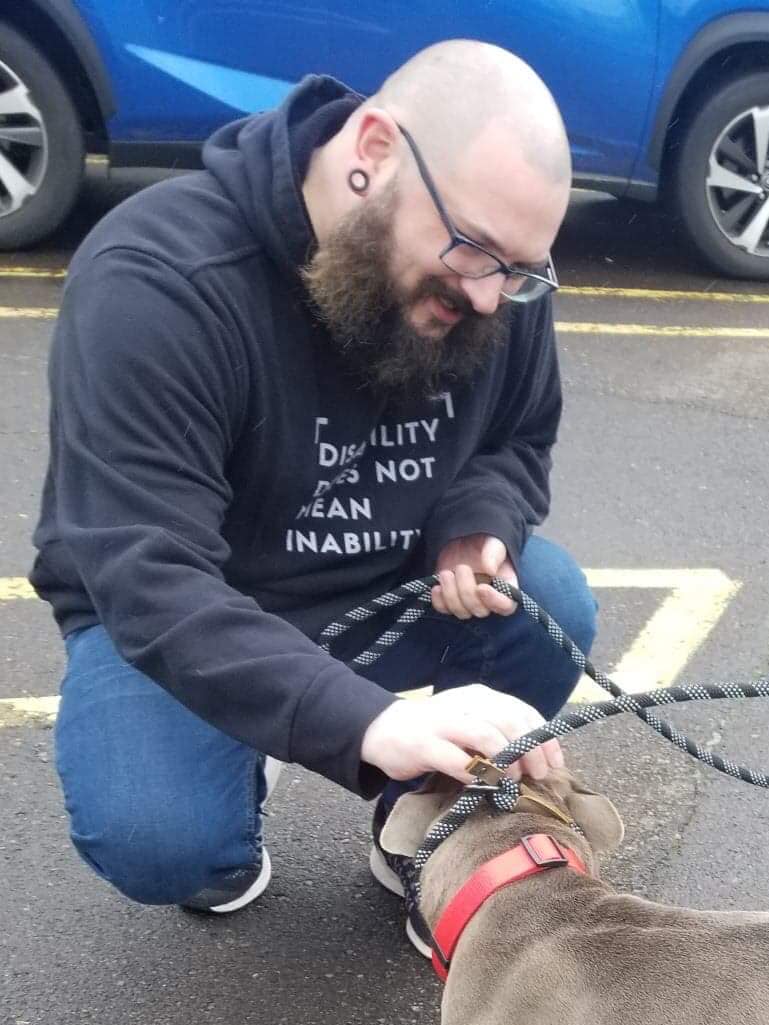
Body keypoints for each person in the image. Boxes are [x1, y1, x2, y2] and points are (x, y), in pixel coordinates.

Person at [32, 39, 586, 939]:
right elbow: (151, 577)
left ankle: (422, 830)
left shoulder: (493, 274)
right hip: (194, 608)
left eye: (518, 270)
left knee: (549, 601)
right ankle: (237, 787)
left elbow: (518, 438)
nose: (490, 299)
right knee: (160, 838)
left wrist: (474, 525)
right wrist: (365, 724)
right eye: (474, 250)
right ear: (371, 151)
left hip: (384, 589)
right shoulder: (157, 280)